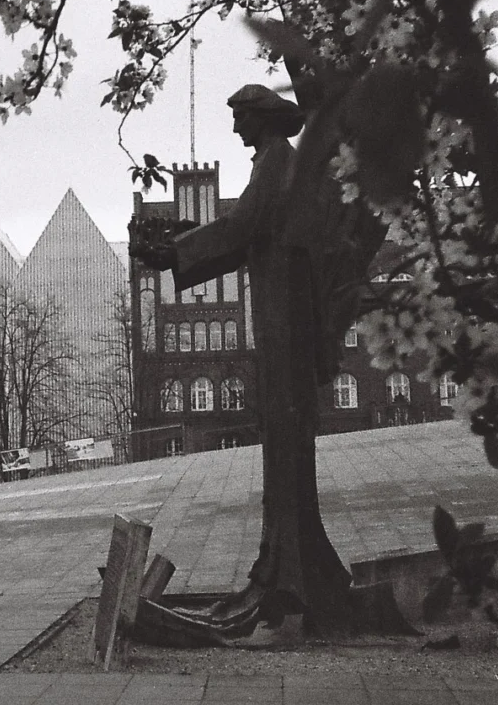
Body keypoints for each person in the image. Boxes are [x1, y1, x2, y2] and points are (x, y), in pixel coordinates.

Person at [131, 83, 363, 632]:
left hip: (285, 324)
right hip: (281, 323)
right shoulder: (276, 164)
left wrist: (171, 252)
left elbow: (239, 230)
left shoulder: (276, 164)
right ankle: (287, 570)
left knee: (283, 432)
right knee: (281, 436)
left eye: (239, 116)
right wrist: (178, 246)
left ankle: (286, 575)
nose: (234, 127)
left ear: (260, 119)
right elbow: (240, 236)